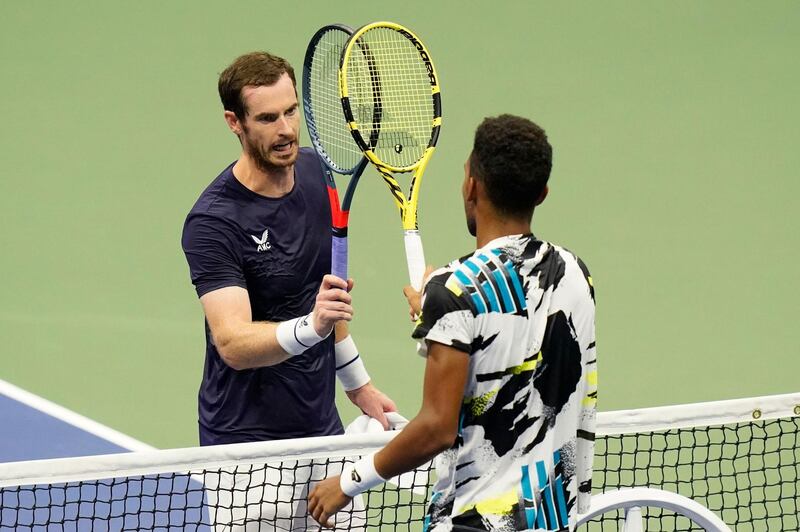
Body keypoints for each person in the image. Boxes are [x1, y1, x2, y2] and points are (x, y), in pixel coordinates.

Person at [309, 114, 598, 531]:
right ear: (542, 194)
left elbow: (436, 429)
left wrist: (350, 481)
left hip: (475, 522)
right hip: (555, 518)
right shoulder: (575, 272)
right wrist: (440, 315)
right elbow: (522, 342)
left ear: (472, 186)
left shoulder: (454, 291)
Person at [181, 51, 395, 529]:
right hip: (246, 454)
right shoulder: (214, 222)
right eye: (267, 118)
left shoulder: (318, 175)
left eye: (291, 111)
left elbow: (326, 304)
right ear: (234, 122)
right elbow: (233, 344)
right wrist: (312, 324)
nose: (285, 130)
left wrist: (358, 386)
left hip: (321, 433)